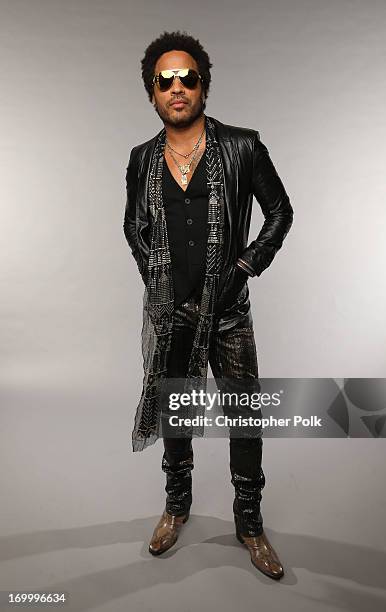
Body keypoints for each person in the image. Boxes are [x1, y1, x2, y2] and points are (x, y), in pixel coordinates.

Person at [123, 30, 293, 580]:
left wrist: (245, 267)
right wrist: (156, 274)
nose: (177, 88)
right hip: (173, 313)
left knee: (244, 419)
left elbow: (280, 212)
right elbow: (133, 224)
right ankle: (177, 506)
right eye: (165, 80)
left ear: (204, 87)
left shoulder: (242, 146)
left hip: (229, 314)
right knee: (178, 416)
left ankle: (249, 522)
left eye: (188, 78)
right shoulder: (142, 159)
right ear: (152, 93)